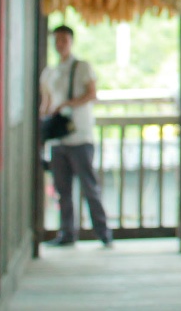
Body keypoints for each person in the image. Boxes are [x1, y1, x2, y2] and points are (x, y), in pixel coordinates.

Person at [39, 25, 114, 248]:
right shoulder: (50, 72)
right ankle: (67, 233)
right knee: (63, 191)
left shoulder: (82, 67)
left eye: (63, 40)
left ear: (71, 41)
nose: (59, 44)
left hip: (80, 135)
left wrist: (68, 104)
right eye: (56, 40)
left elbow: (92, 94)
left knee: (89, 187)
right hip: (59, 138)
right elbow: (46, 101)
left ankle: (103, 232)